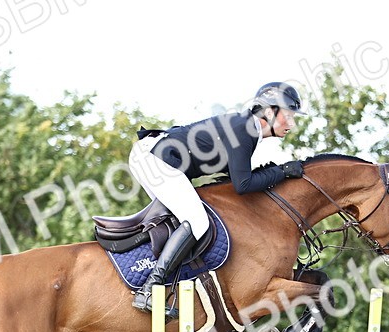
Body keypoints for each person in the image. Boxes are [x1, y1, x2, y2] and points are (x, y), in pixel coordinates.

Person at [128, 82, 306, 312]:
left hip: (154, 156)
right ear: (270, 112)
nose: (291, 123)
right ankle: (149, 289)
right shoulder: (244, 129)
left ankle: (160, 281)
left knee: (180, 222)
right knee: (197, 221)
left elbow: (237, 180)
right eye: (289, 115)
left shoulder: (245, 129)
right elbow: (243, 185)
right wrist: (283, 172)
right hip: (155, 158)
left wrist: (276, 173)